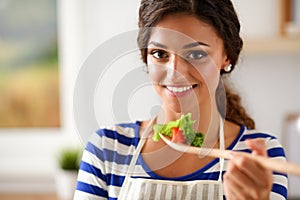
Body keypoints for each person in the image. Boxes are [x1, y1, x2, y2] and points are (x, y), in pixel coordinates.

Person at [74, 0, 288, 199]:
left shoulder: (257, 157)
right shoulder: (106, 148)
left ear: (226, 57)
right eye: (159, 54)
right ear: (145, 57)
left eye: (196, 54)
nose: (175, 72)